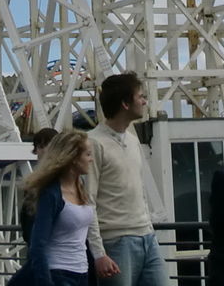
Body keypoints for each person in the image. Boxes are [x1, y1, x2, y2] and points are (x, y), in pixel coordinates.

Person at [85, 74, 162, 286]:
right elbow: (88, 200)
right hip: (116, 241)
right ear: (125, 103)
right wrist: (99, 253)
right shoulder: (93, 143)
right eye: (141, 96)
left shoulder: (133, 141)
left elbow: (139, 191)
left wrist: (150, 229)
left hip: (147, 236)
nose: (145, 101)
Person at [18, 130, 95, 286]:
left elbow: (82, 239)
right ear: (73, 158)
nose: (91, 159)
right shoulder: (51, 194)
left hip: (81, 272)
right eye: (87, 154)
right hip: (58, 273)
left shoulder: (80, 187)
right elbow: (37, 244)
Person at [20, 128, 60, 243]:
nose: (44, 151)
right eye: (41, 147)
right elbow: (27, 215)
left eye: (47, 146)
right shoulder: (32, 182)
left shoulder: (65, 177)